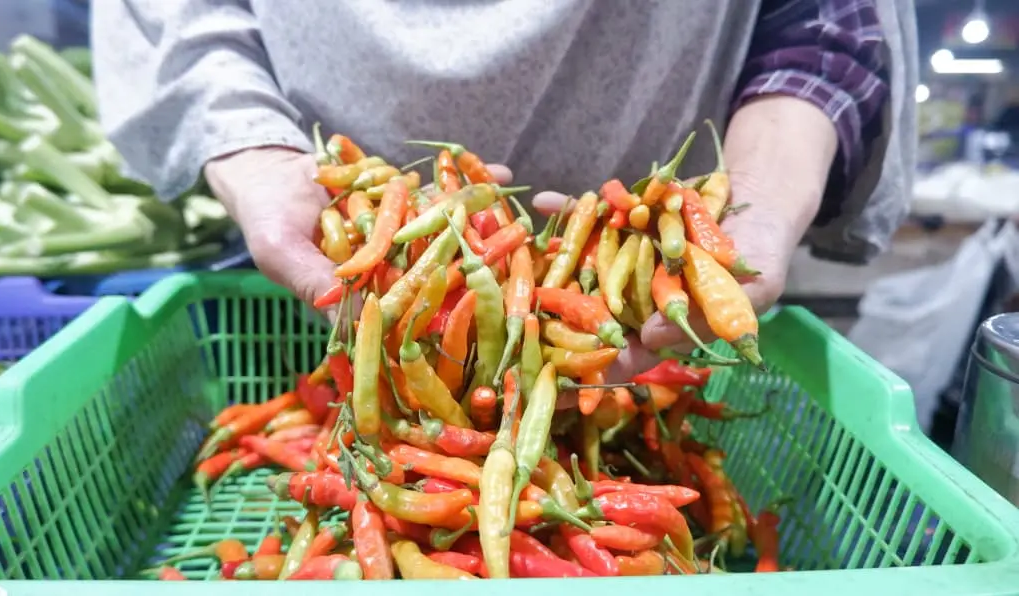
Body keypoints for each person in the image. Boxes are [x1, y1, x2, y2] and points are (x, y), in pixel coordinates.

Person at [92, 1, 917, 378]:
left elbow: (821, 27)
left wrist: (756, 205)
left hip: (651, 322)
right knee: (353, 391)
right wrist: (262, 163)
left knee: (621, 411)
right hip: (339, 286)